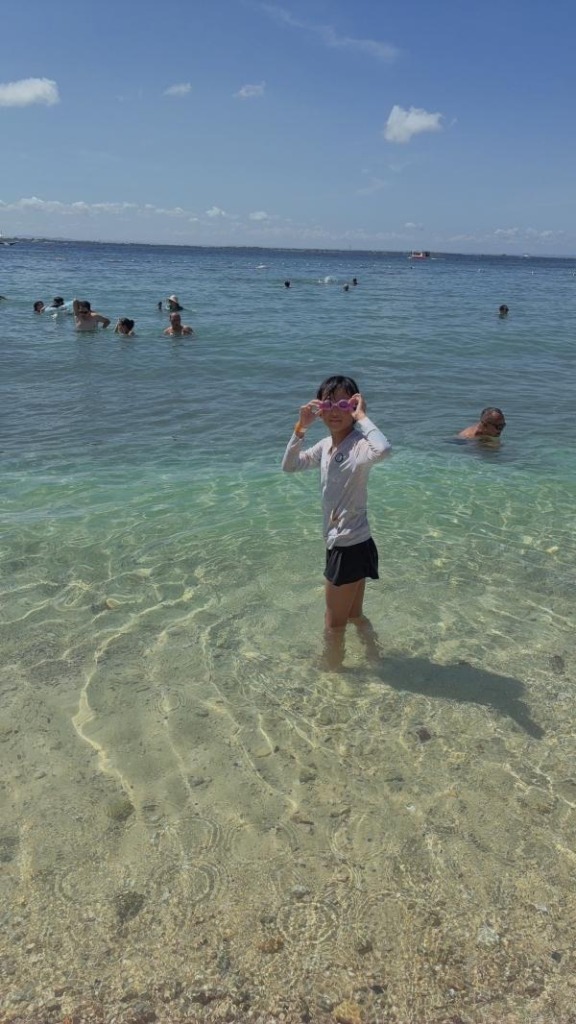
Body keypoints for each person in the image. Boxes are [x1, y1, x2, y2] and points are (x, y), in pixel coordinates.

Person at [282, 374, 392, 667]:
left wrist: (363, 417)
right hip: (355, 542)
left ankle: (331, 671)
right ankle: (375, 657)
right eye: (328, 404)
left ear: (354, 407)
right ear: (319, 408)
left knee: (333, 625)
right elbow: (289, 466)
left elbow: (383, 450)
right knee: (354, 615)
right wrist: (301, 427)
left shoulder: (360, 445)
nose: (334, 411)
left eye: (344, 404)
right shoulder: (324, 446)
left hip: (348, 545)